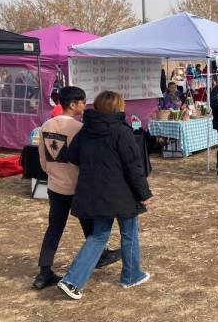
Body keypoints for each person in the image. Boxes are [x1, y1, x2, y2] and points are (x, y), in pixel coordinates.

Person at [58, 91, 152, 300]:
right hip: (121, 193)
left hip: (95, 192)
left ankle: (72, 280)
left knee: (99, 235)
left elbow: (72, 156)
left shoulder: (86, 130)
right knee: (129, 233)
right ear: (118, 107)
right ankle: (131, 275)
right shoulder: (121, 131)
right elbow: (133, 167)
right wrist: (144, 193)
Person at [33, 87, 120, 290]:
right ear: (72, 104)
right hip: (77, 187)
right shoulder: (80, 128)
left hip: (55, 186)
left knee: (54, 229)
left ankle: (44, 271)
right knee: (91, 228)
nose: (85, 105)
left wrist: (53, 174)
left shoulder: (46, 126)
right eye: (82, 102)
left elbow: (43, 159)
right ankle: (100, 255)